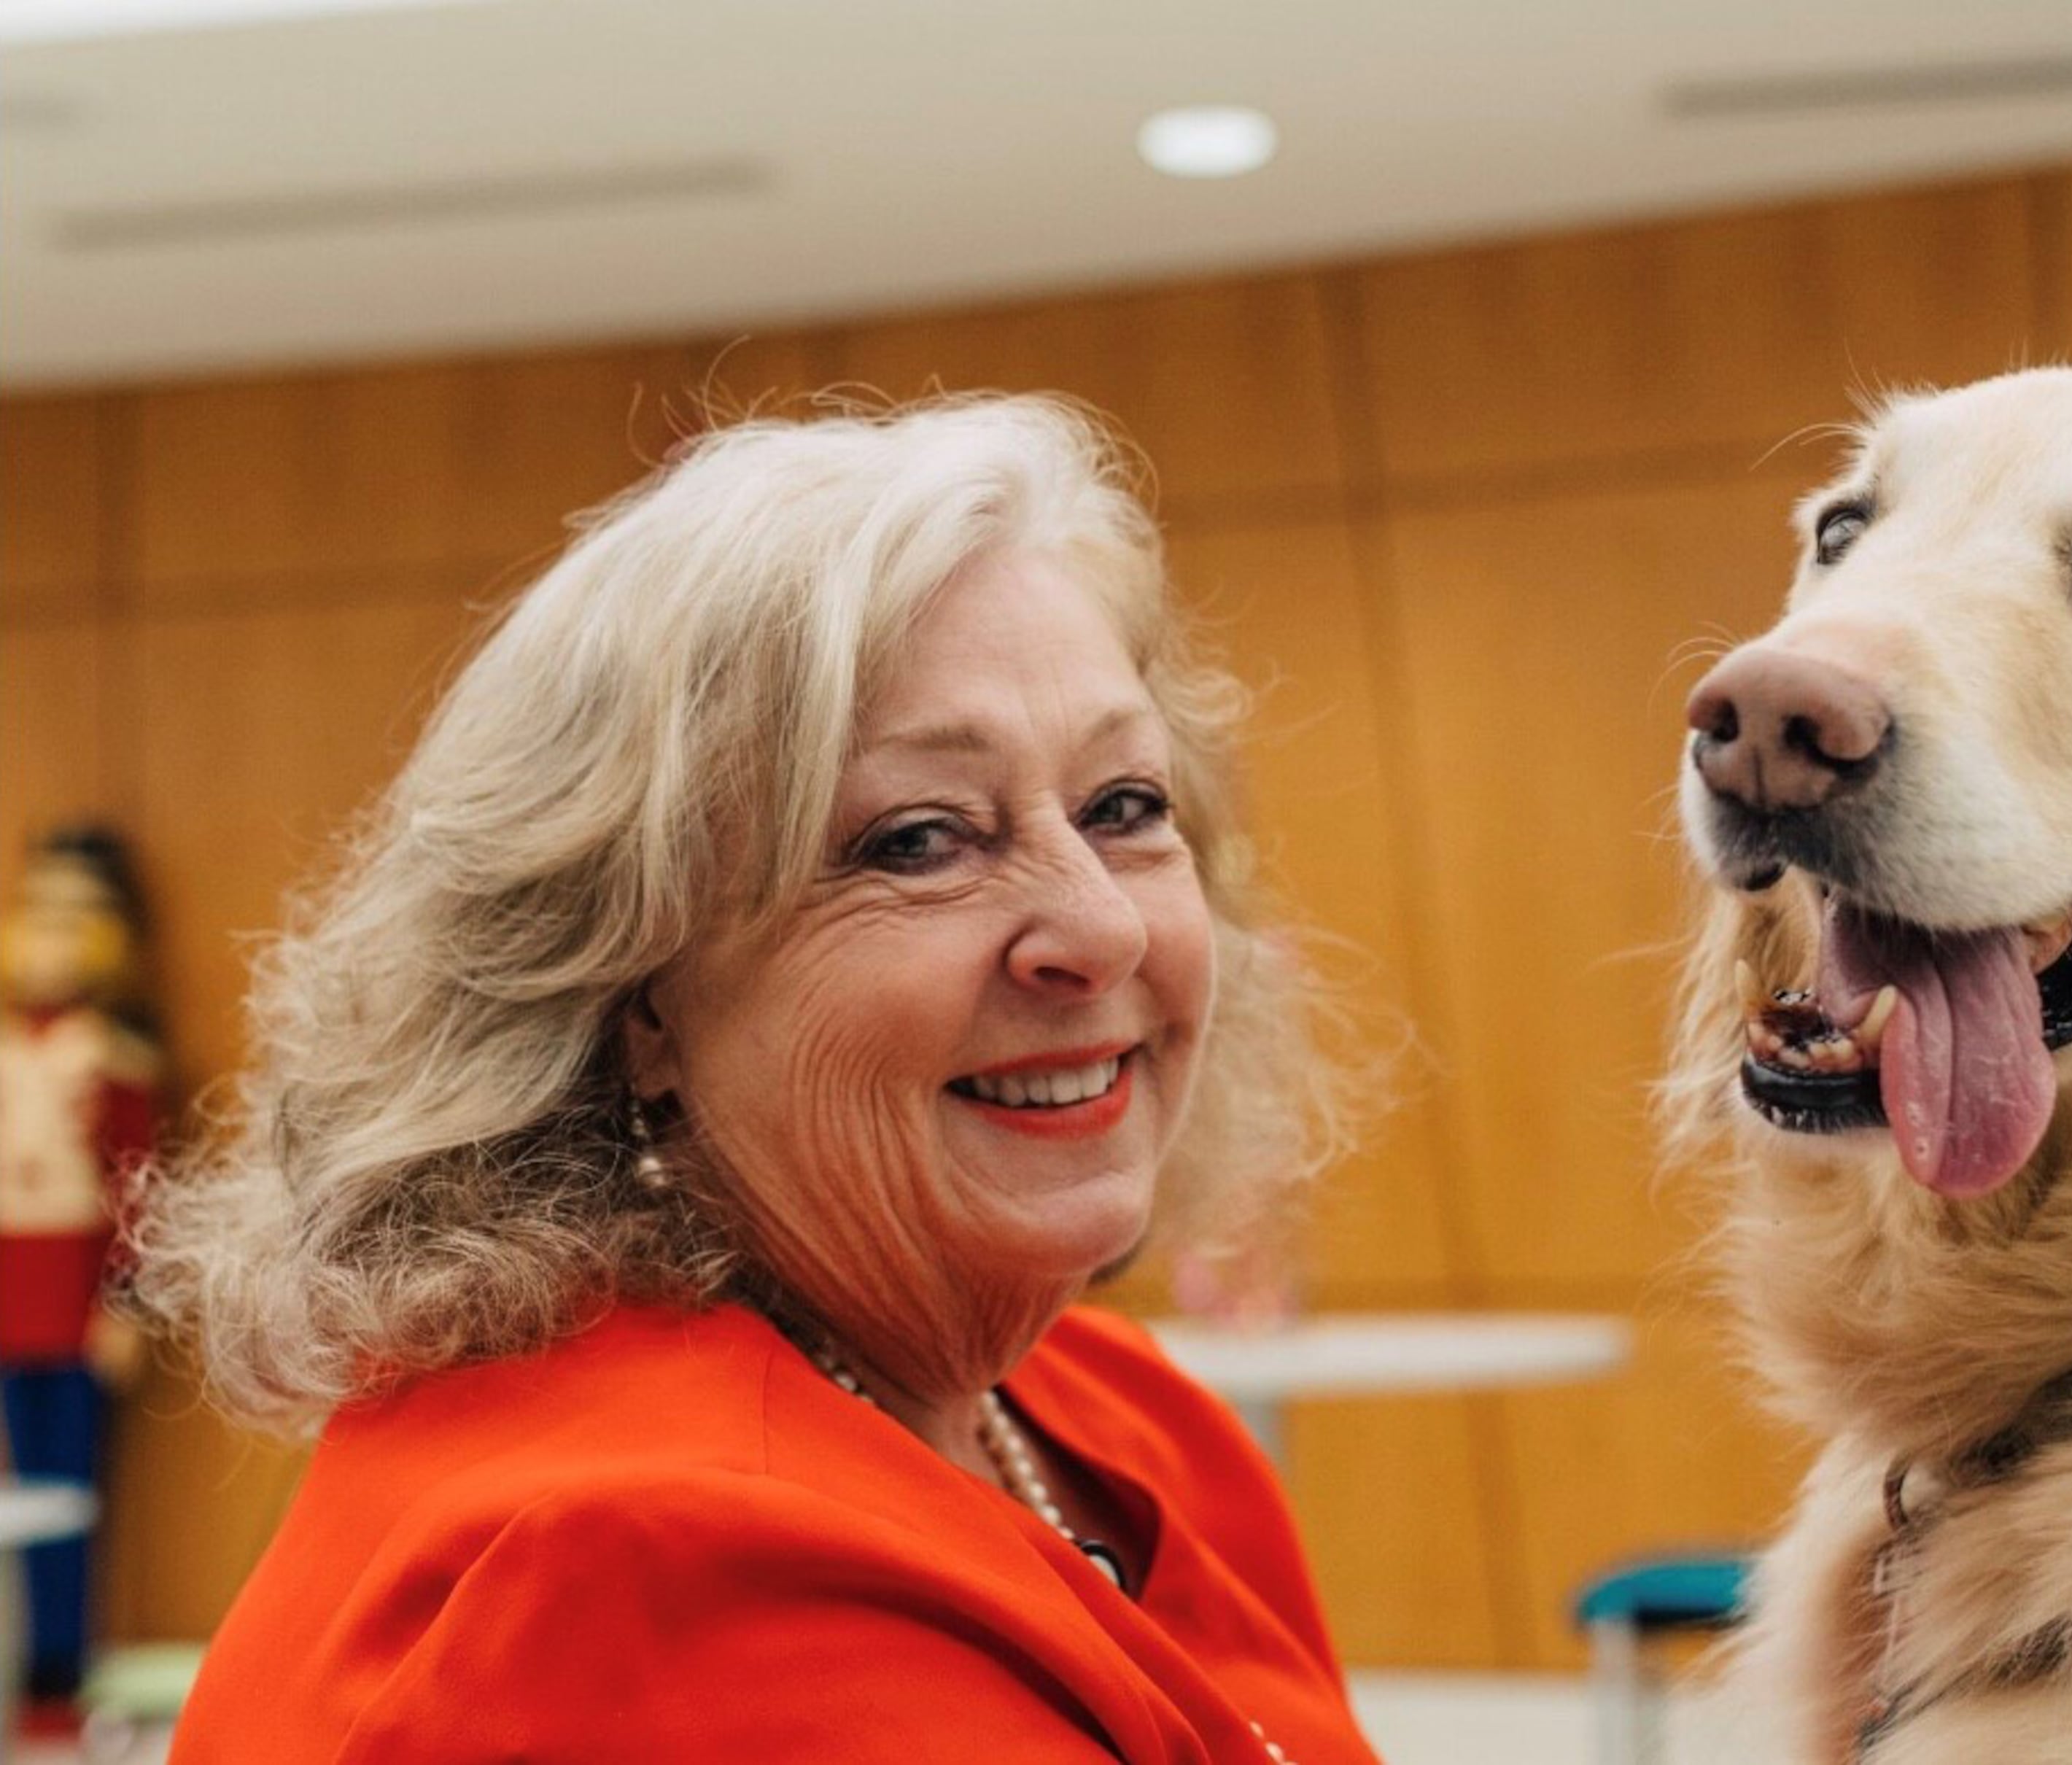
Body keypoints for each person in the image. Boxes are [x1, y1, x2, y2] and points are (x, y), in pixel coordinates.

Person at [131, 396, 1378, 1763]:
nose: (1104, 929)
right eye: (919, 842)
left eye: (1124, 808)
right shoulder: (641, 1573)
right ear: (636, 995)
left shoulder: (1116, 1415)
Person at [0, 826, 159, 1718]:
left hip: (73, 1301)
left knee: (67, 1492)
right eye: (39, 915)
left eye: (77, 918)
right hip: (10, 1293)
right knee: (18, 1498)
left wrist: (124, 1298)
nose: (51, 940)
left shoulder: (113, 1055)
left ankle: (61, 1667)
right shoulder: (11, 1048)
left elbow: (137, 1187)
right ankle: (26, 1659)